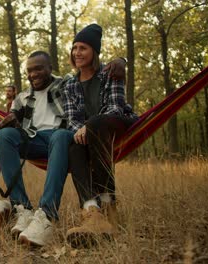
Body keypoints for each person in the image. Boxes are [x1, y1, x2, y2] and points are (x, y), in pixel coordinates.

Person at [0, 50, 125, 247]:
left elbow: (93, 73)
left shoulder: (66, 83)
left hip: (62, 137)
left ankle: (47, 215)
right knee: (3, 136)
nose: (33, 74)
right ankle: (22, 209)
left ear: (50, 68)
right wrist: (11, 116)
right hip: (34, 139)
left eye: (38, 68)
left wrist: (120, 60)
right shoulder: (22, 98)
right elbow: (11, 116)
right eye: (29, 71)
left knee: (60, 135)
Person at [62, 24, 138, 248]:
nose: (77, 52)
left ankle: (109, 208)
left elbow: (115, 107)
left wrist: (89, 126)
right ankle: (92, 212)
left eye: (83, 47)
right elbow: (71, 118)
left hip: (116, 126)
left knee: (95, 123)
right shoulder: (69, 85)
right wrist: (82, 129)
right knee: (74, 147)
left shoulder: (110, 73)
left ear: (94, 51)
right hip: (88, 135)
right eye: (74, 47)